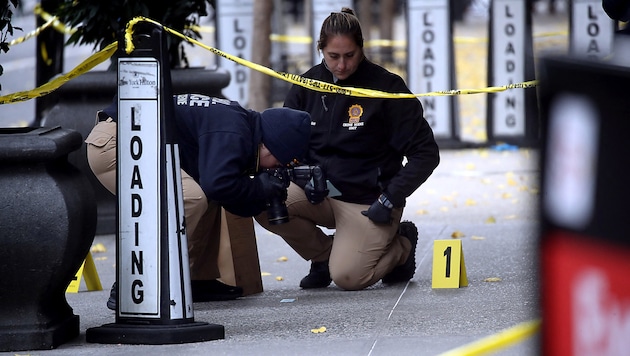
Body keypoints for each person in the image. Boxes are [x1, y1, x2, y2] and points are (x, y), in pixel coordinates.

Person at [255, 8, 440, 291]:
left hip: (369, 200)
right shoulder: (305, 87)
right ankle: (323, 256)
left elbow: (426, 154)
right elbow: (282, 145)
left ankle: (401, 245)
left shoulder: (387, 88)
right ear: (321, 50)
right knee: (261, 200)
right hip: (316, 192)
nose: (341, 66)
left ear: (361, 48)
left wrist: (390, 198)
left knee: (349, 278)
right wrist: (298, 171)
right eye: (333, 57)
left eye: (349, 55)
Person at [86, 93, 311, 309]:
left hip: (131, 139)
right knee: (189, 197)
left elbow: (226, 194)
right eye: (279, 163)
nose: (275, 169)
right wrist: (259, 187)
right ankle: (136, 280)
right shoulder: (234, 131)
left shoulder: (241, 127)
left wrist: (261, 196)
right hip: (117, 143)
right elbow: (218, 184)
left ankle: (194, 279)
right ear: (268, 144)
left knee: (207, 195)